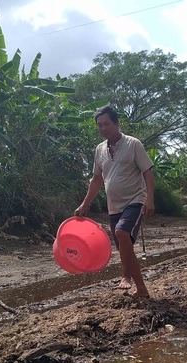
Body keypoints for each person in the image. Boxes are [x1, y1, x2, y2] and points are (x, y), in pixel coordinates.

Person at [75, 105, 155, 298]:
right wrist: (84, 205)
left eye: (107, 124)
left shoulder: (133, 144)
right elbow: (96, 180)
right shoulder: (100, 150)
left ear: (117, 123)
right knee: (124, 246)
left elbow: (148, 171)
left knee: (121, 232)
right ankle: (135, 283)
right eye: (99, 125)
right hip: (114, 206)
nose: (103, 128)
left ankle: (132, 281)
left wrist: (150, 200)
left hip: (135, 199)